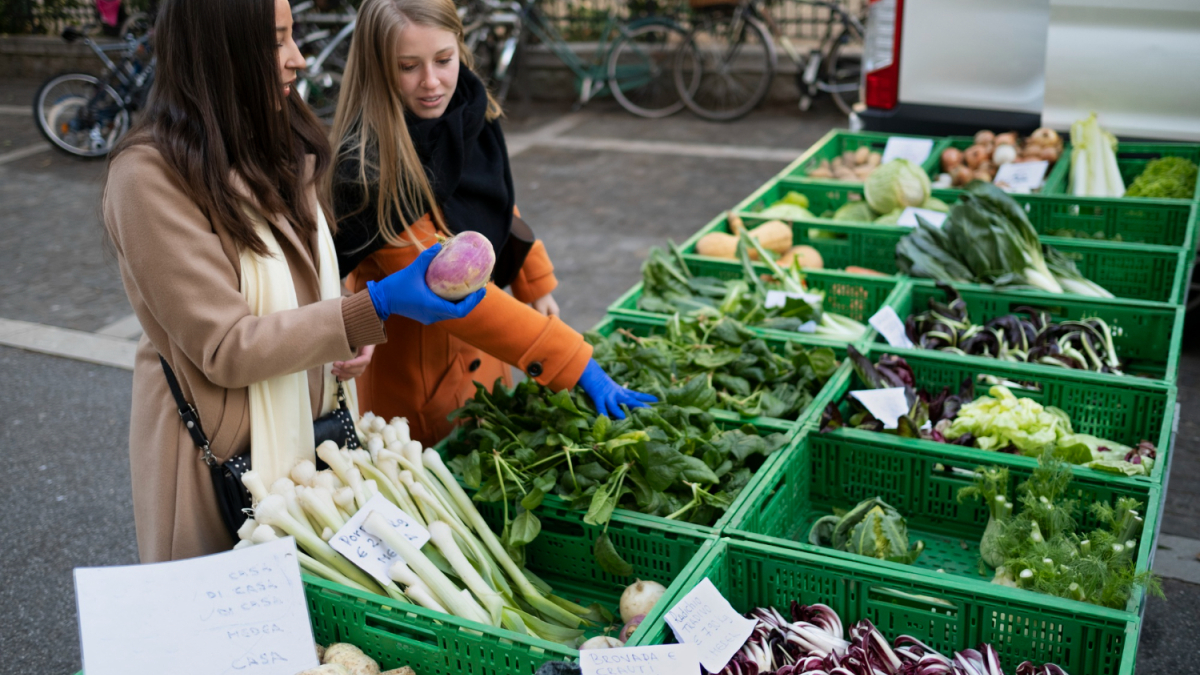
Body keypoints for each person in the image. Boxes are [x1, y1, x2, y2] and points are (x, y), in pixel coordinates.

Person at [102, 0, 483, 563]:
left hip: (311, 426)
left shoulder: (277, 132)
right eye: (276, 42)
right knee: (234, 630)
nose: (298, 60)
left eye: (293, 37)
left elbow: (307, 280)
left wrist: (349, 329)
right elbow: (225, 346)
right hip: (220, 451)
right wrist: (367, 309)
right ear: (220, 54)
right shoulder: (148, 178)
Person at [329, 0, 655, 447]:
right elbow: (448, 283)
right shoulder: (367, 169)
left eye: (444, 60)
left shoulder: (466, 112)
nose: (431, 82)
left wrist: (533, 278)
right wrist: (572, 360)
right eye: (408, 67)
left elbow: (496, 206)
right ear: (377, 69)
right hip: (424, 392)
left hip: (488, 360)